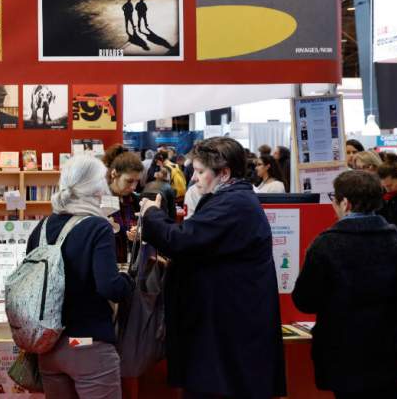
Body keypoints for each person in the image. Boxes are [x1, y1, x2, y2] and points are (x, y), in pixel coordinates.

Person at [140, 137, 286, 399]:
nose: (194, 179)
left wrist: (152, 214)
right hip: (223, 325)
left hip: (228, 332)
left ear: (224, 173)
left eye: (199, 172)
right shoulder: (231, 201)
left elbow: (182, 240)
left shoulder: (233, 204)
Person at [293, 170, 397, 399]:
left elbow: (305, 301)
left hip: (342, 350)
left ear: (345, 203)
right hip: (391, 347)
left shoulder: (326, 244)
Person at [26, 155, 132, 398]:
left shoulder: (41, 227)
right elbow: (109, 287)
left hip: (49, 347)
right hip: (84, 343)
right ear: (96, 188)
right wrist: (129, 280)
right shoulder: (97, 226)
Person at [104, 145, 144, 262]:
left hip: (131, 264)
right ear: (114, 174)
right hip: (106, 263)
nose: (133, 187)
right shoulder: (98, 200)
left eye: (137, 181)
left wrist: (140, 233)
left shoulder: (136, 201)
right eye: (129, 181)